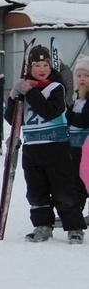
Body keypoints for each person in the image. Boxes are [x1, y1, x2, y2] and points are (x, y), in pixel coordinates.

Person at [4, 45, 85, 244]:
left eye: (45, 65)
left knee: (63, 189)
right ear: (29, 67)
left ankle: (74, 227)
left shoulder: (55, 87)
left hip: (56, 147)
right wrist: (14, 98)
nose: (41, 69)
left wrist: (30, 91)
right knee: (36, 190)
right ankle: (43, 225)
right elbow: (13, 120)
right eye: (36, 65)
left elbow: (50, 111)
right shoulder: (26, 89)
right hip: (32, 148)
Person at [65, 55, 89, 235]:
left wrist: (69, 116)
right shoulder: (77, 99)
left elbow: (84, 120)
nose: (82, 79)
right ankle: (75, 212)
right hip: (75, 147)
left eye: (86, 75)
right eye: (79, 76)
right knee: (74, 181)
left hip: (86, 148)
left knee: (84, 180)